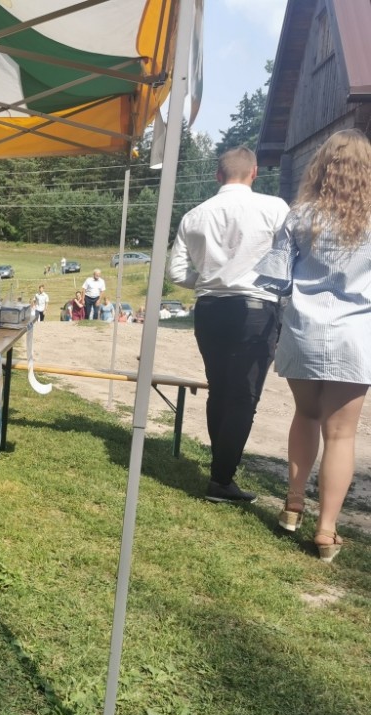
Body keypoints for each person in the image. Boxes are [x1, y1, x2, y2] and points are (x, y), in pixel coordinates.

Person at [253, 129, 371, 562]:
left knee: (305, 414)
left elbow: (276, 278)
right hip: (355, 334)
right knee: (341, 434)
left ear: (321, 167)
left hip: (304, 329)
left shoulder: (299, 216)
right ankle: (326, 531)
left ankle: (293, 503)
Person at [168, 146, 290, 503]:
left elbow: (176, 272)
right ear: (255, 173)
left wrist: (209, 280)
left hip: (209, 309)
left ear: (217, 175)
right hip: (255, 308)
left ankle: (219, 472)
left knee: (219, 389)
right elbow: (288, 261)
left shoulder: (194, 215)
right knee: (243, 396)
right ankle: (221, 480)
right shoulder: (275, 208)